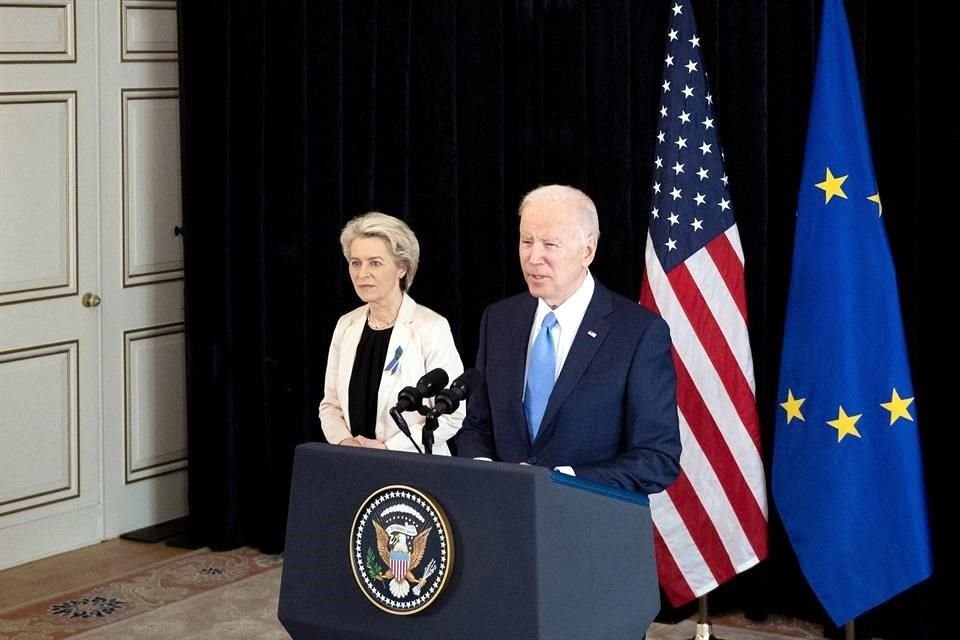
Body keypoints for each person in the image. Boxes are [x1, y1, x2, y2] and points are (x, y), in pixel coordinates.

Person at [457, 185, 681, 493]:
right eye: (526, 241)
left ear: (587, 250)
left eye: (550, 244)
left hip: (588, 526)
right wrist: (486, 471)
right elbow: (478, 425)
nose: (534, 257)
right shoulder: (498, 321)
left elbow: (657, 458)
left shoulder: (638, 333)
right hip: (504, 518)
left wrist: (561, 480)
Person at [320, 212, 465, 455]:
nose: (361, 273)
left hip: (414, 469)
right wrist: (346, 444)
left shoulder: (431, 327)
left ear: (402, 268)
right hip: (353, 465)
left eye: (374, 263)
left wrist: (388, 448)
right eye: (356, 262)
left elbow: (452, 415)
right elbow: (330, 405)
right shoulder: (346, 325)